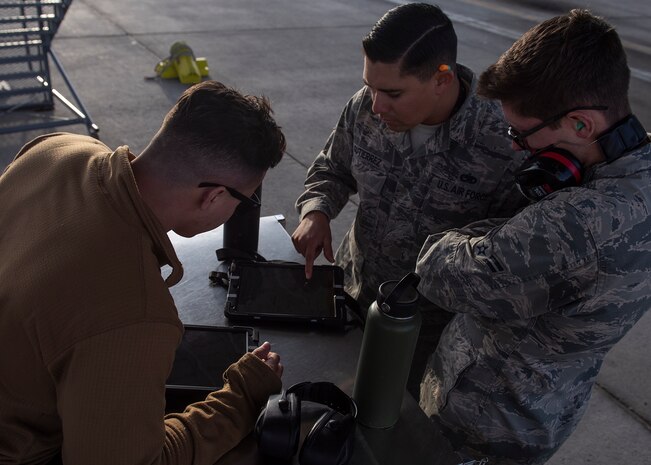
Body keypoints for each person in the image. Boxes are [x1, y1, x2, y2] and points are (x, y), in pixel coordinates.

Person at [0, 81, 287, 464]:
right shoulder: (132, 315)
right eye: (245, 199)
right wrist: (241, 398)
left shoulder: (58, 149)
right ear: (214, 196)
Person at [415, 9, 650, 465]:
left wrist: (466, 235)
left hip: (480, 425)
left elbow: (440, 272)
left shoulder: (574, 223)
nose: (518, 150)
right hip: (548, 410)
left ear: (582, 125)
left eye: (523, 137)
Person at [291, 2, 527, 396]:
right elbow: (333, 168)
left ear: (441, 78)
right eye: (370, 87)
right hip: (352, 294)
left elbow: (507, 256)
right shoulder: (365, 107)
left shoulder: (504, 142)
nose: (377, 105)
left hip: (427, 335)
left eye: (393, 93)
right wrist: (316, 211)